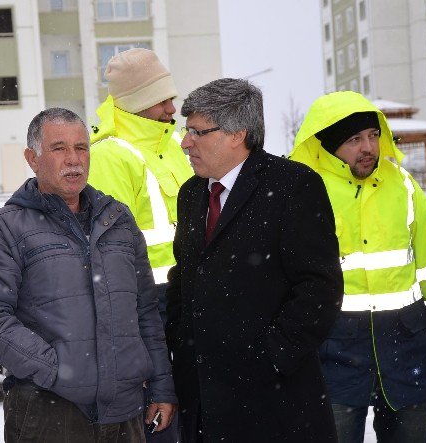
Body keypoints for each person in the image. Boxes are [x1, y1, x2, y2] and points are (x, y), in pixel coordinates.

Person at [0, 108, 177, 443]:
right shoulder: (5, 227)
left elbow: (145, 312)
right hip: (49, 412)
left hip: (125, 412)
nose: (74, 160)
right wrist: (57, 370)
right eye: (59, 148)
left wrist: (162, 384)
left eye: (81, 148)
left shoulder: (118, 220)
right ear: (32, 158)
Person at [289, 91, 426, 443]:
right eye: (354, 139)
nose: (368, 147)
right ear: (329, 145)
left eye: (373, 136)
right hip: (333, 358)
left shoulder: (402, 186)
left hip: (406, 353)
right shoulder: (303, 191)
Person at [165, 78, 344, 442]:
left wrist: (271, 358)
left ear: (237, 134)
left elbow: (319, 289)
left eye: (197, 132)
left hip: (274, 404)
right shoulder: (191, 194)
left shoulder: (293, 186)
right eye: (186, 131)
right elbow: (185, 280)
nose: (185, 143)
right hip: (204, 403)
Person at [88, 48, 193, 324]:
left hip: (191, 288)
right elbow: (112, 246)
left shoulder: (173, 143)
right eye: (161, 100)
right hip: (149, 298)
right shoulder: (109, 155)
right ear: (136, 103)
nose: (171, 108)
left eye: (170, 98)